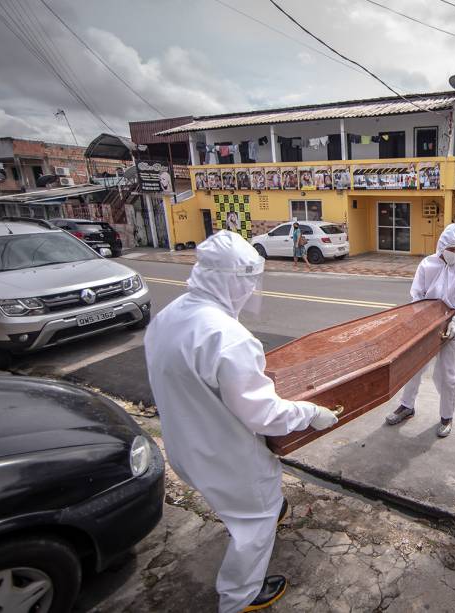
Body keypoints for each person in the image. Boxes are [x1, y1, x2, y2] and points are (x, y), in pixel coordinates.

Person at [144, 231, 339, 612]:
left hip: (185, 448)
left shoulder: (170, 316)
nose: (251, 290)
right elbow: (263, 414)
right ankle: (239, 596)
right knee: (255, 522)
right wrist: (310, 413)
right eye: (248, 281)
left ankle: (264, 514)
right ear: (230, 280)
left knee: (245, 508)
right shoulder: (228, 337)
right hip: (227, 458)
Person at [385, 223, 455, 437]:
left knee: (448, 375)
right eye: (451, 249)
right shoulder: (427, 265)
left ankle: (447, 417)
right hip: (425, 326)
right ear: (442, 247)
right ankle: (406, 406)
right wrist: (420, 320)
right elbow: (417, 295)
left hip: (451, 328)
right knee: (413, 368)